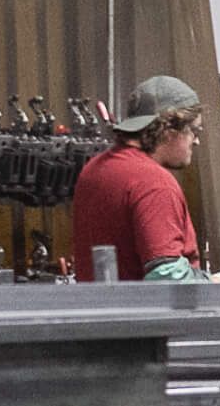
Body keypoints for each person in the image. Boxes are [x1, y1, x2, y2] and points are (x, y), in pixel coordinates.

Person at [73, 75, 209, 280]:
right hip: (144, 312)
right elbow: (167, 279)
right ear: (169, 129)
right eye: (194, 130)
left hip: (100, 308)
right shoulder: (153, 183)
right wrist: (214, 284)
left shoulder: (94, 169)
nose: (196, 141)